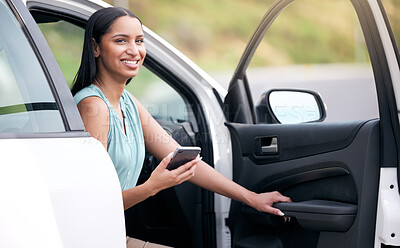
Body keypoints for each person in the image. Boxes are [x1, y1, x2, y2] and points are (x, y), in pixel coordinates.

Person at [72, 7, 291, 248]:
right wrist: (153, 187)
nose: (134, 50)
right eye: (120, 41)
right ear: (95, 47)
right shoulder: (94, 107)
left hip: (111, 235)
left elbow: (187, 163)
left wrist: (251, 198)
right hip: (87, 237)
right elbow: (94, 204)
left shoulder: (128, 102)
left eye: (139, 41)